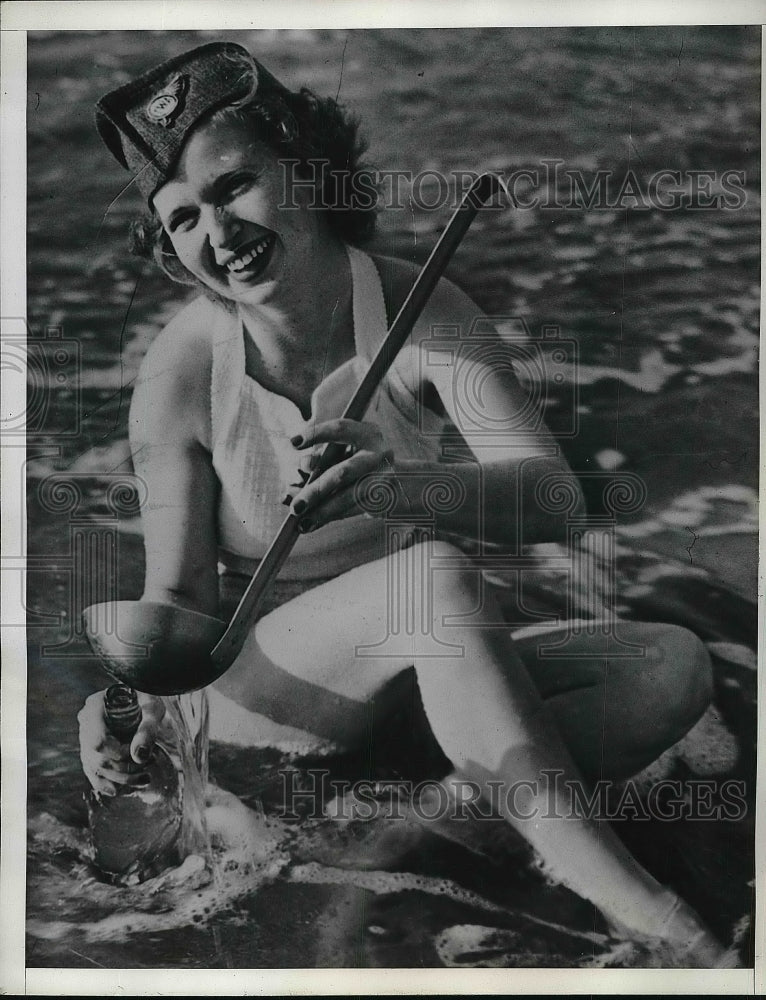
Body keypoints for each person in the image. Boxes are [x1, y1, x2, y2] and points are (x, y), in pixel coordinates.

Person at [78, 41, 729, 966]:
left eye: (232, 188)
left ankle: (399, 822)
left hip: (416, 674)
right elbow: (180, 602)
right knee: (433, 579)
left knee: (671, 668)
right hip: (272, 702)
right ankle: (640, 907)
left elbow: (553, 502)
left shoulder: (420, 306)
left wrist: (402, 484)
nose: (216, 232)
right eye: (182, 218)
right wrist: (121, 695)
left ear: (305, 170)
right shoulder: (182, 371)